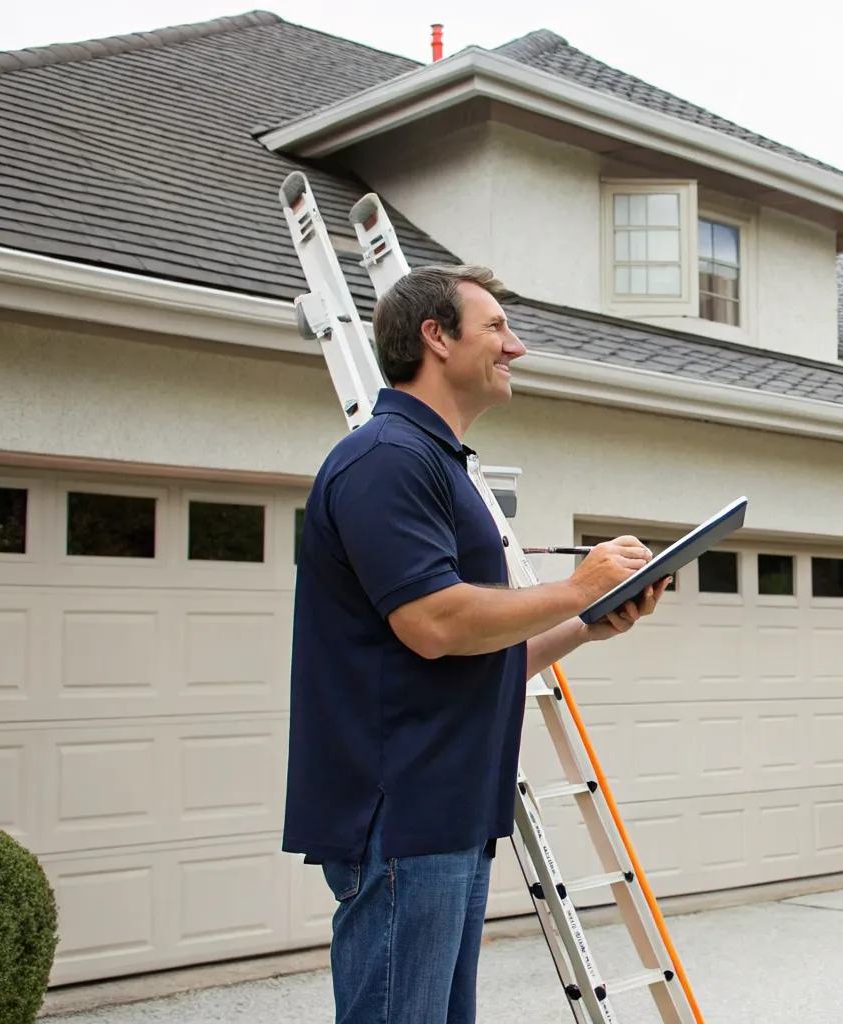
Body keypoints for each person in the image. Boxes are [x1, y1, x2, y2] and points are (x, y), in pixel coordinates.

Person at [281, 264, 668, 1024]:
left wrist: (587, 623)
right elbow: (433, 624)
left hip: (447, 812)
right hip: (402, 814)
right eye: (495, 328)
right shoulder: (388, 458)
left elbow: (476, 655)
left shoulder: (437, 461)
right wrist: (577, 588)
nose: (515, 347)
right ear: (435, 336)